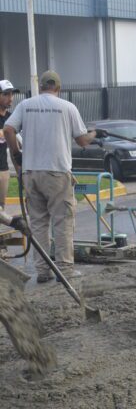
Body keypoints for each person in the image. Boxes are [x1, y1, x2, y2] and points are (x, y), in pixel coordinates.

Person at [3, 70, 98, 283]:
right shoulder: (67, 107)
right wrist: (94, 133)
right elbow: (82, 141)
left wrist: (17, 155)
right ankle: (64, 269)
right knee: (62, 220)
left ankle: (43, 271)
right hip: (57, 172)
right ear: (59, 88)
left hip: (31, 173)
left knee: (38, 223)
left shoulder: (26, 105)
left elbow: (8, 130)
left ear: (42, 86)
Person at [0, 80, 19, 214]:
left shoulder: (10, 118)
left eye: (11, 94)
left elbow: (14, 147)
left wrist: (19, 171)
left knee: (1, 207)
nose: (10, 98)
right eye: (6, 94)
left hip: (3, 169)